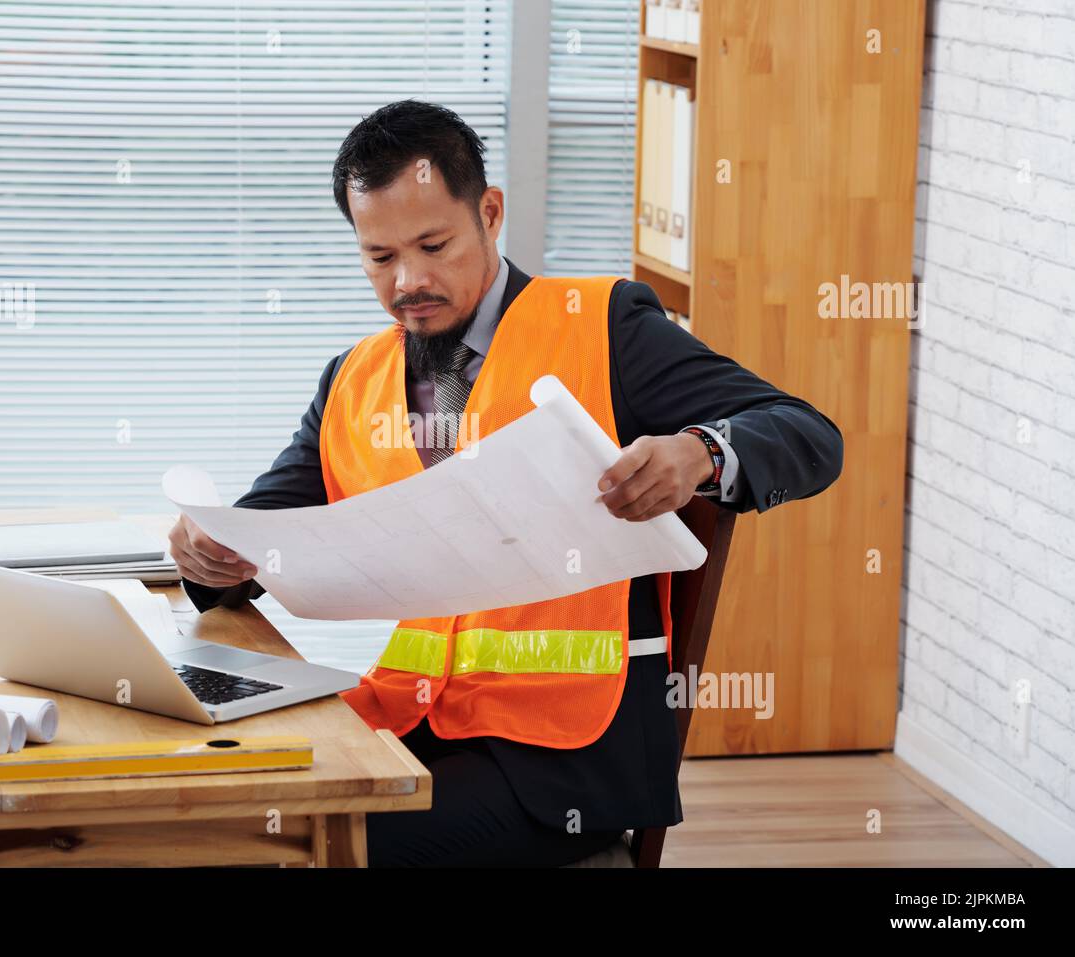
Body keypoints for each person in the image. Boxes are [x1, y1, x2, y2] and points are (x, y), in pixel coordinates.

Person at [171, 100, 844, 867]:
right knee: (211, 811)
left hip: (561, 760)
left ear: (489, 212)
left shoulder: (604, 325)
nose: (409, 281)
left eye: (433, 244)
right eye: (379, 256)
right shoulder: (354, 378)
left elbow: (808, 433)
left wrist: (700, 452)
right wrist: (206, 555)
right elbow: (257, 527)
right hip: (407, 724)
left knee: (302, 845)